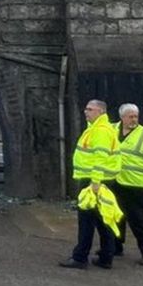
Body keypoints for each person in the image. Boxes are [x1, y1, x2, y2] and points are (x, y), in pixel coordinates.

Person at [60, 99, 121, 269]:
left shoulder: (100, 131)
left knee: (86, 220)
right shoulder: (100, 128)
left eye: (90, 109)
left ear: (100, 112)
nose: (86, 112)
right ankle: (106, 257)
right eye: (86, 108)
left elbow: (100, 158)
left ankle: (80, 257)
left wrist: (95, 182)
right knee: (102, 219)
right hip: (102, 180)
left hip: (93, 180)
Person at [112, 103, 143, 265]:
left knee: (139, 221)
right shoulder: (111, 130)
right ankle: (115, 247)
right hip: (113, 182)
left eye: (135, 116)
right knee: (114, 216)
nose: (133, 119)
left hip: (135, 185)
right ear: (122, 117)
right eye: (130, 116)